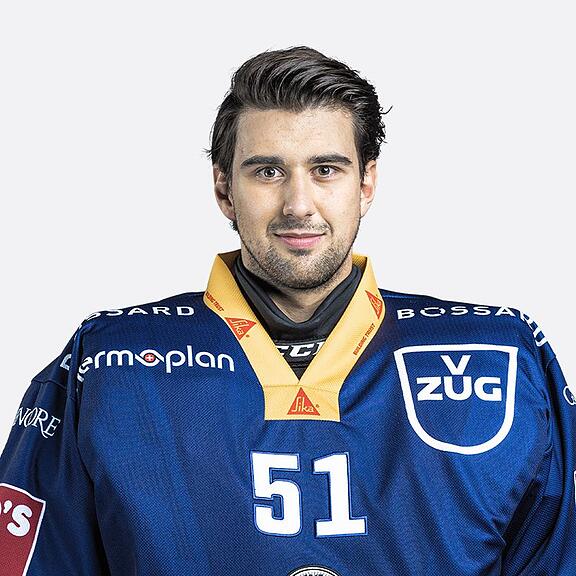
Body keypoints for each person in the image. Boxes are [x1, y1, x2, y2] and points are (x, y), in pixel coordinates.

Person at [0, 46, 573, 576]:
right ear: (224, 189)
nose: (299, 204)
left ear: (367, 183)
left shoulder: (504, 355)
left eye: (326, 169)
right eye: (268, 171)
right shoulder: (108, 361)